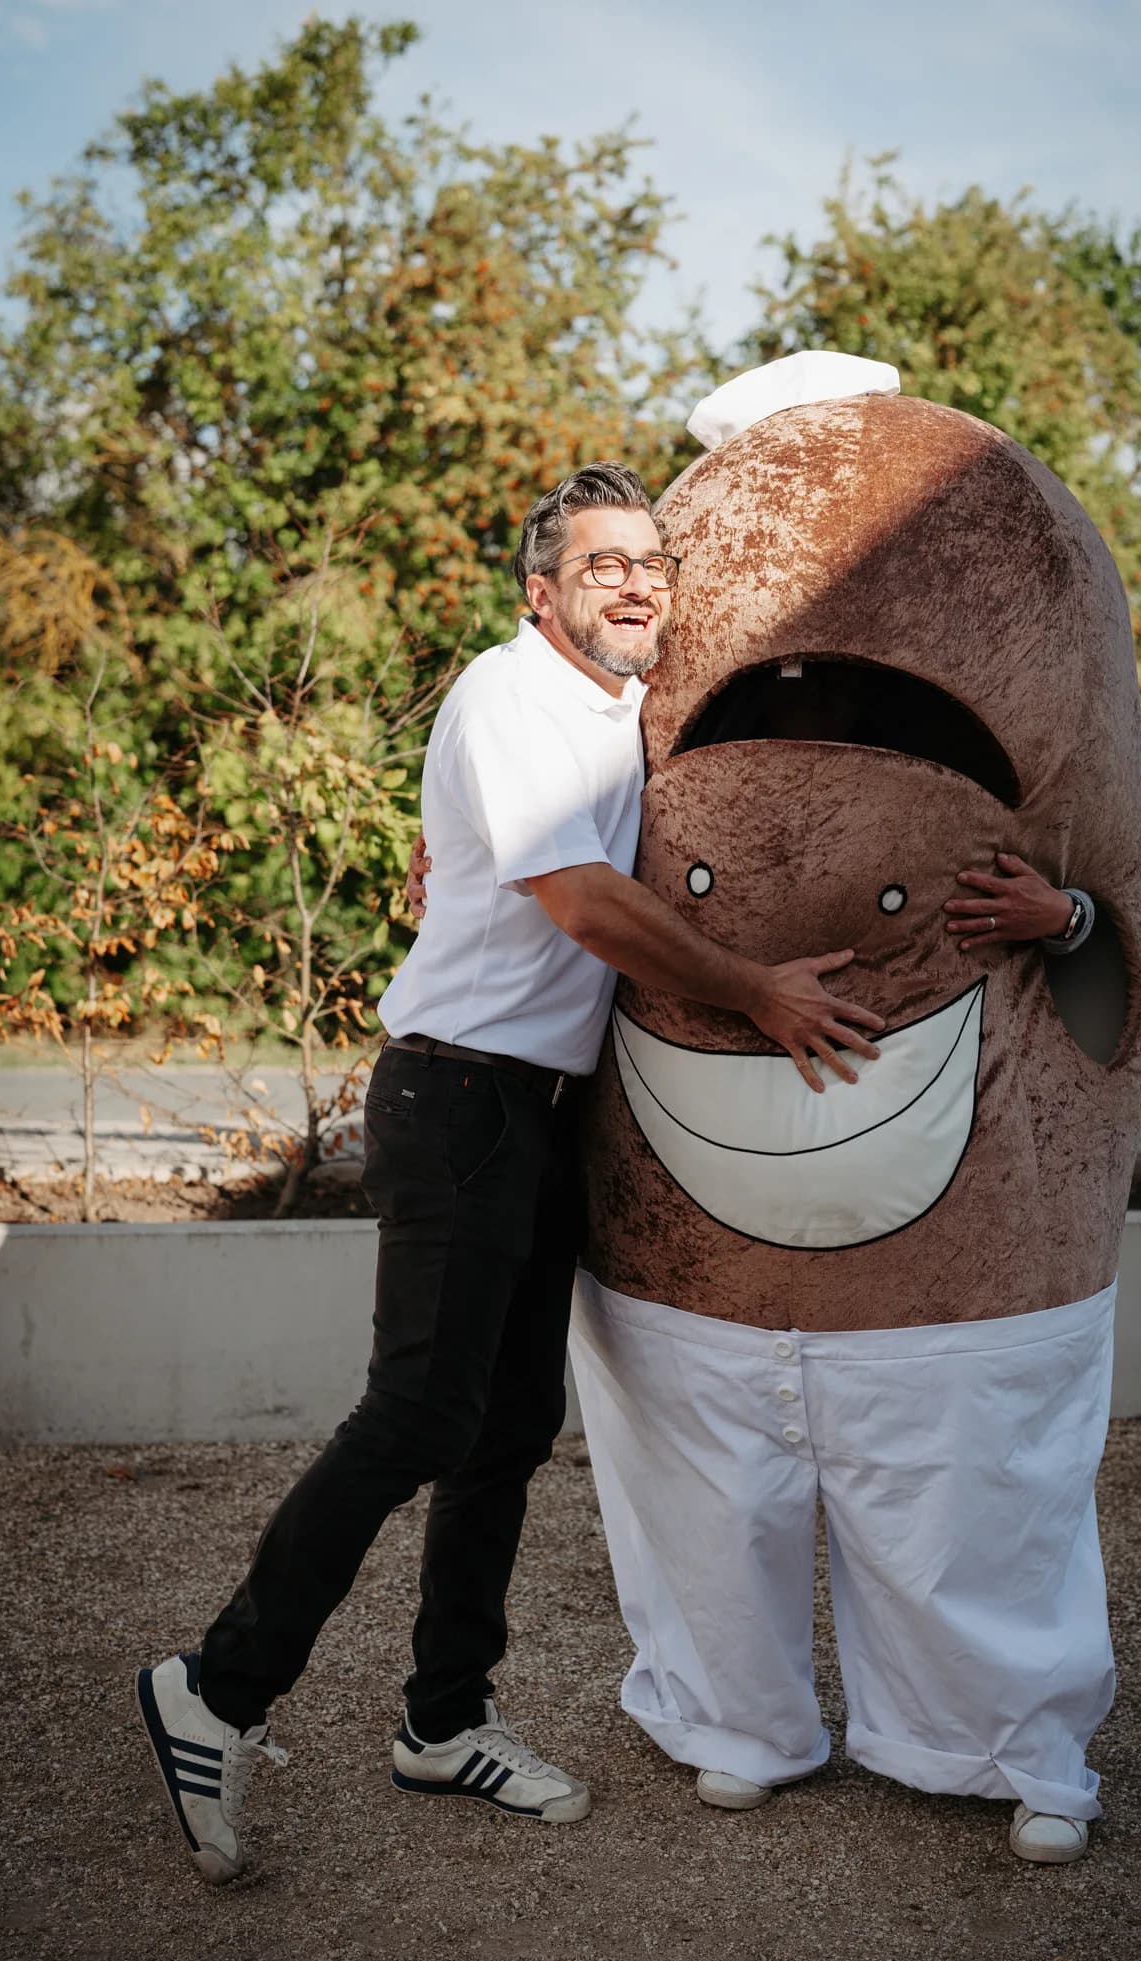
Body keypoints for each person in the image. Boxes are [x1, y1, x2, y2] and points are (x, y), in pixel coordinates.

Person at [136, 461, 883, 1885]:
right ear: (539, 591)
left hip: (546, 1112)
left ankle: (444, 1717)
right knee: (421, 1412)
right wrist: (757, 997)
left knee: (508, 1426)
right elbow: (583, 903)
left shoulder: (621, 718)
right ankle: (217, 1690)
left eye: (652, 561)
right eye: (601, 561)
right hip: (459, 1096)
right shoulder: (507, 692)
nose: (635, 580)